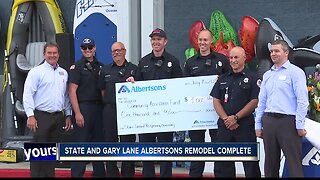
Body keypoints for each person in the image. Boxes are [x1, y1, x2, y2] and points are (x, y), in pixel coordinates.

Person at [255, 39, 309, 178]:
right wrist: (258, 124)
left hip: (288, 122)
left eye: (277, 51)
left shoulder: (295, 72)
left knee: (293, 164)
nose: (273, 54)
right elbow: (262, 101)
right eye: (272, 51)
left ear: (286, 52)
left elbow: (302, 100)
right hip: (269, 121)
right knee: (270, 165)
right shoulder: (268, 75)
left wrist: (299, 124)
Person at [135, 28, 183, 177]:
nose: (156, 42)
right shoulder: (143, 62)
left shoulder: (173, 62)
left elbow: (179, 87)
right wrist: (132, 83)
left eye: (159, 39)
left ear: (165, 42)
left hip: (166, 116)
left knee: (165, 151)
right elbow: (137, 86)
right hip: (147, 116)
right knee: (147, 150)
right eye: (153, 39)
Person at [183, 29, 230, 177]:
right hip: (197, 114)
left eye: (205, 40)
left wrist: (221, 81)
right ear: (197, 41)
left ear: (211, 41)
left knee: (218, 148)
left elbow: (230, 79)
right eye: (200, 40)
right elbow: (184, 87)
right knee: (198, 149)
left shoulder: (222, 60)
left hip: (218, 113)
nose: (202, 43)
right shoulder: (190, 63)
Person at [23, 42, 72, 177]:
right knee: (38, 153)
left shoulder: (64, 73)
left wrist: (68, 115)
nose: (52, 55)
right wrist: (30, 115)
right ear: (44, 54)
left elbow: (66, 96)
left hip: (57, 117)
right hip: (40, 117)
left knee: (51, 154)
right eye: (49, 53)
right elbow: (27, 94)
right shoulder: (36, 72)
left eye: (54, 53)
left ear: (58, 54)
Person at [210, 46, 261, 177]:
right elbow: (216, 100)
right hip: (224, 127)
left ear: (244, 58)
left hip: (245, 127)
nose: (233, 60)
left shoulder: (253, 78)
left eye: (236, 57)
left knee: (251, 166)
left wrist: (236, 118)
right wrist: (227, 119)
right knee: (223, 165)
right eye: (231, 57)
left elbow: (254, 101)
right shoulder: (222, 78)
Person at [98, 41, 137, 177]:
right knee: (110, 143)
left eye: (119, 50)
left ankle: (127, 174)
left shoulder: (134, 69)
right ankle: (112, 174)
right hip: (110, 110)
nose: (116, 53)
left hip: (129, 112)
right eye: (114, 51)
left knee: (128, 143)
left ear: (125, 51)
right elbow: (102, 91)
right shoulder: (105, 70)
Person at [68, 37, 106, 177]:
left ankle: (99, 174)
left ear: (95, 48)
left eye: (90, 47)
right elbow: (72, 91)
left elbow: (103, 91)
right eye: (84, 48)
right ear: (81, 49)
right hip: (83, 108)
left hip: (98, 109)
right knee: (80, 145)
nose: (88, 50)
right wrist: (77, 113)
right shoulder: (76, 67)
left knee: (98, 144)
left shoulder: (101, 66)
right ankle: (77, 175)